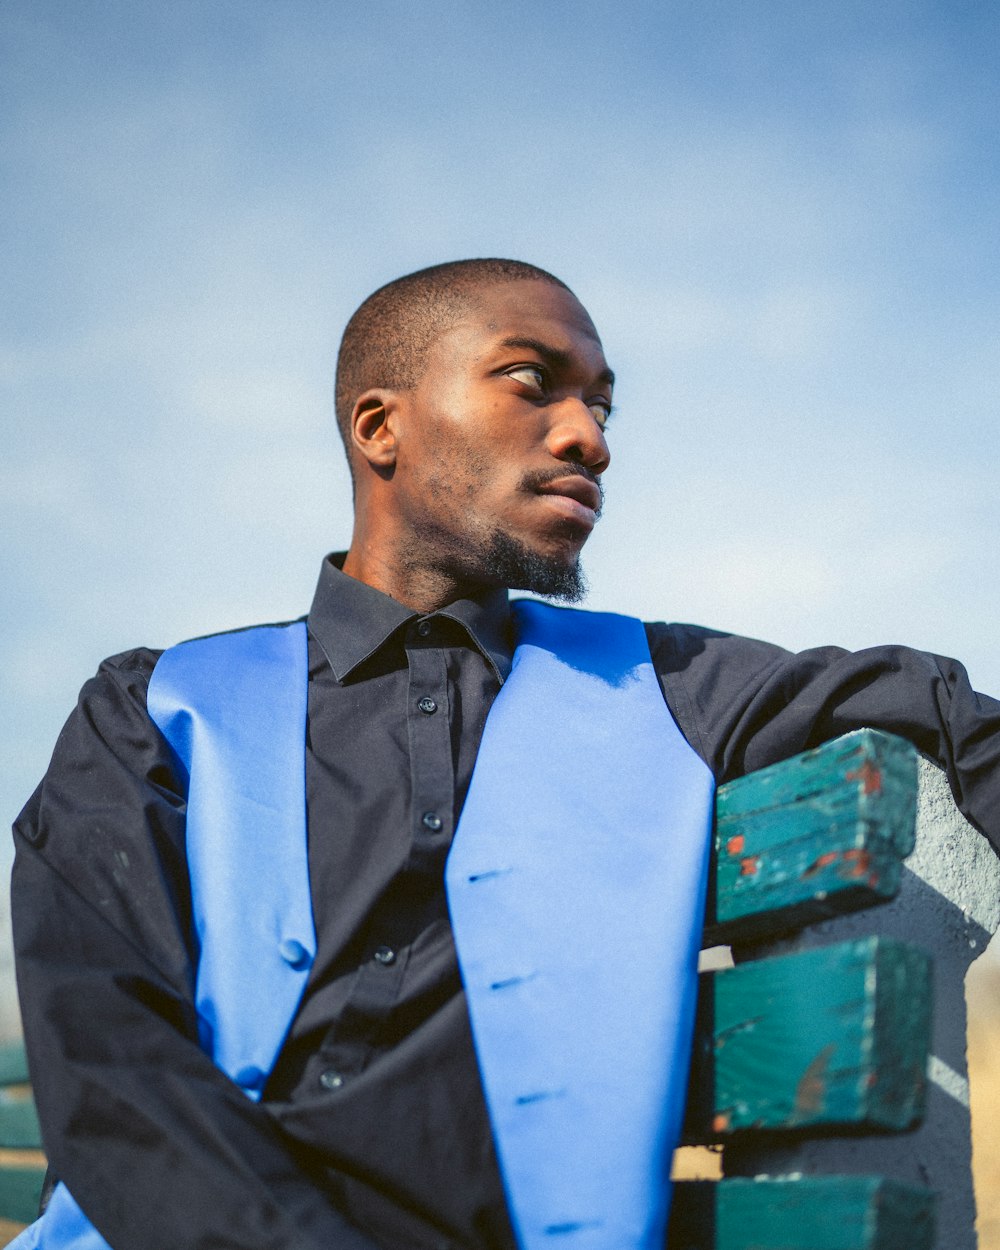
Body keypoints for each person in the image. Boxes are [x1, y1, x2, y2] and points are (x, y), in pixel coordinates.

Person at [11, 259, 1000, 1250]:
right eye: (532, 381)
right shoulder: (156, 707)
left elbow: (946, 709)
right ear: (378, 426)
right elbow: (107, 1052)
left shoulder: (669, 684)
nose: (590, 439)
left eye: (602, 406)